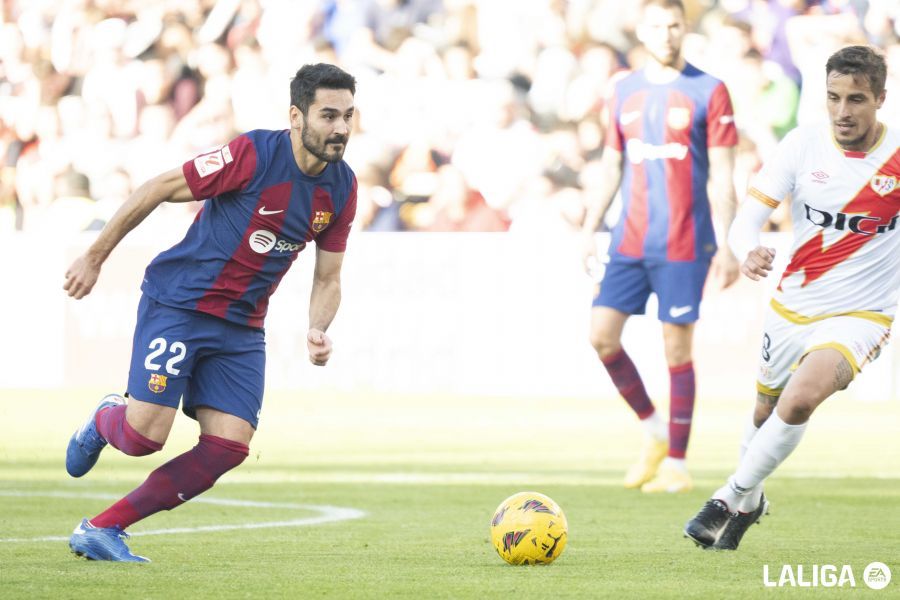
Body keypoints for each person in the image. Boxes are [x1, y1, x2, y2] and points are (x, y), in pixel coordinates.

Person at [62, 63, 358, 562]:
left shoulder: (343, 189)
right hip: (180, 303)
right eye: (329, 115)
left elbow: (328, 278)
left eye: (349, 116)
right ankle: (106, 417)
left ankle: (102, 529)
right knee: (140, 439)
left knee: (228, 446)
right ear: (296, 116)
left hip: (242, 327)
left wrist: (317, 327)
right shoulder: (254, 155)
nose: (342, 129)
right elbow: (158, 188)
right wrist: (95, 256)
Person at [684, 45, 899, 551]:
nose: (843, 111)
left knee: (800, 400)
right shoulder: (802, 145)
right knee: (764, 414)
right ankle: (752, 502)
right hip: (792, 308)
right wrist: (747, 250)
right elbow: (746, 221)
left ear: (880, 100)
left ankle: (727, 496)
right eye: (833, 97)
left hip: (861, 315)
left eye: (856, 99)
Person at [580, 0, 740, 494]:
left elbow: (723, 176)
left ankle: (676, 461)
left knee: (676, 348)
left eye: (674, 25)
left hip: (685, 241)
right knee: (601, 336)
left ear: (684, 28)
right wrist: (589, 227)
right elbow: (610, 165)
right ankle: (653, 431)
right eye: (657, 25)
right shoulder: (623, 90)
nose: (666, 34)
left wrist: (729, 242)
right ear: (642, 30)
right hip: (630, 238)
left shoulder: (709, 90)